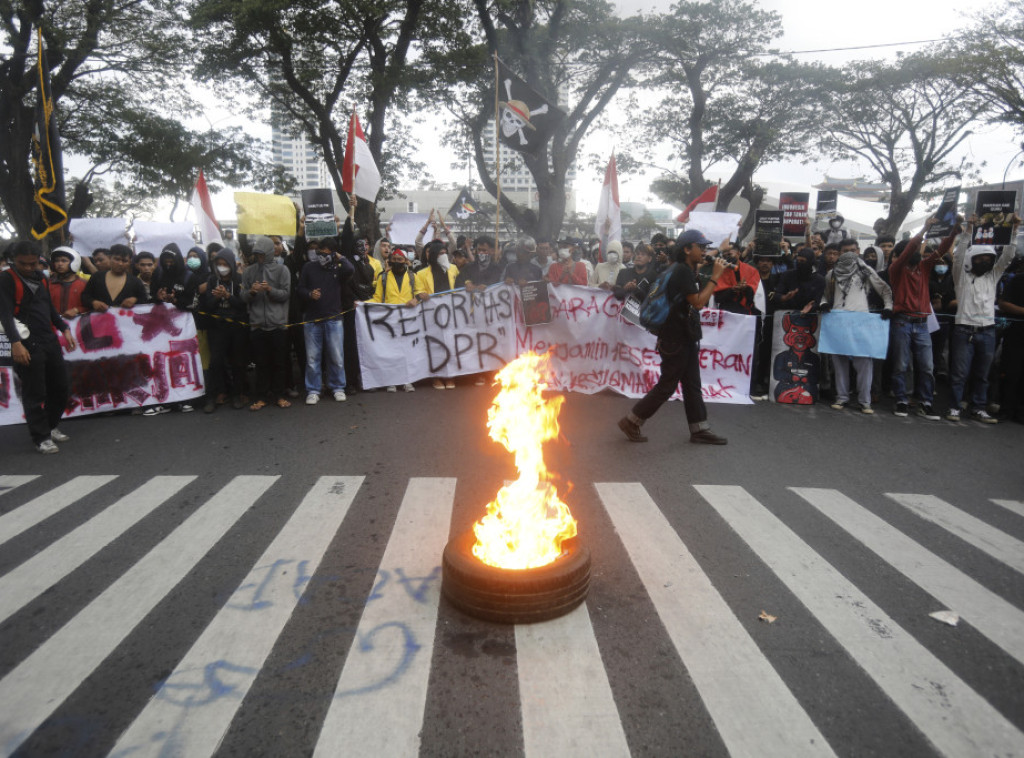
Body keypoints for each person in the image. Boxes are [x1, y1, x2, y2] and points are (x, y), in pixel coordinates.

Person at [618, 229, 728, 446]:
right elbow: (698, 302)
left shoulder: (682, 268)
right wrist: (715, 277)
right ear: (688, 249)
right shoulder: (682, 272)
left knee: (692, 383)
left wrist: (719, 251)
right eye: (701, 246)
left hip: (682, 336)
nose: (704, 250)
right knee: (668, 384)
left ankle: (699, 429)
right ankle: (632, 420)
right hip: (676, 337)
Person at [0, 241, 78, 453]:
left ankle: (51, 426)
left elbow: (49, 308)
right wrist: (16, 343)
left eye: (32, 263)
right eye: (23, 263)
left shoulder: (42, 277)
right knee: (35, 392)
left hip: (49, 339)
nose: (27, 267)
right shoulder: (6, 279)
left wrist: (64, 328)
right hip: (26, 342)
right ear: (13, 260)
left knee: (60, 387)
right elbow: (5, 314)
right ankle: (41, 437)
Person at [946, 214, 1020, 423]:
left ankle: (978, 407)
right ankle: (954, 407)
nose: (985, 262)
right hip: (964, 330)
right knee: (959, 373)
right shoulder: (961, 276)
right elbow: (959, 255)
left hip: (987, 330)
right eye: (980, 258)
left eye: (988, 259)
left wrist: (1013, 231)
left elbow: (1007, 257)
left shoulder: (993, 276)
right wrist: (968, 229)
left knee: (983, 374)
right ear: (973, 259)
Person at [819, 239, 893, 414]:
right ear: (839, 253)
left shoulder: (865, 270)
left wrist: (889, 307)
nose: (849, 253)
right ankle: (842, 397)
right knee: (839, 362)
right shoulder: (832, 274)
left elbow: (884, 289)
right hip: (839, 322)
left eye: (853, 250)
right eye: (845, 251)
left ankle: (864, 401)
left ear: (858, 251)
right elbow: (824, 295)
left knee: (864, 362)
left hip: (861, 321)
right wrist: (823, 304)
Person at [888, 219, 953, 419]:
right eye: (909, 251)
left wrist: (955, 231)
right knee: (901, 364)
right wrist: (924, 228)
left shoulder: (924, 268)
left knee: (927, 366)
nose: (915, 253)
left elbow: (942, 250)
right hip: (902, 321)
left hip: (922, 324)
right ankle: (901, 400)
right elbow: (909, 250)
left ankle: (926, 402)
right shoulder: (896, 270)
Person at [297, 237, 353, 405]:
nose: (322, 255)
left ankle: (337, 387)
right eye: (320, 252)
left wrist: (339, 258)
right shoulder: (308, 267)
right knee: (313, 358)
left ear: (334, 253)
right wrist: (309, 294)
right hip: (312, 320)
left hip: (334, 319)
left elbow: (350, 269)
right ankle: (313, 390)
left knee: (336, 356)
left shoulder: (338, 268)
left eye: (327, 253)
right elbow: (299, 288)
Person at [242, 235, 292, 410]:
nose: (260, 258)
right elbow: (243, 297)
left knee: (279, 363)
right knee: (261, 363)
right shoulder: (249, 272)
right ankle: (262, 397)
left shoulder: (282, 270)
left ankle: (279, 395)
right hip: (257, 325)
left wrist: (270, 290)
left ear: (270, 253)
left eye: (262, 254)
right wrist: (253, 292)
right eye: (257, 254)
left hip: (278, 324)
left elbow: (286, 294)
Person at [199, 248, 249, 412]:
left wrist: (228, 296)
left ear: (231, 265)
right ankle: (212, 396)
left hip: (236, 326)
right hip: (217, 327)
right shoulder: (212, 280)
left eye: (225, 264)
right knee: (215, 362)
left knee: (238, 362)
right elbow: (207, 305)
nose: (222, 267)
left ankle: (236, 394)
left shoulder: (240, 279)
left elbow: (243, 304)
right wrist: (217, 297)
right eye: (218, 264)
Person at [372, 246, 420, 392]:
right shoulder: (383, 277)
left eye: (400, 259)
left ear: (405, 261)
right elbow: (377, 298)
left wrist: (416, 299)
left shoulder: (413, 277)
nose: (397, 262)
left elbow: (421, 293)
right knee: (390, 351)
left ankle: (407, 380)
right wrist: (363, 304)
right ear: (390, 261)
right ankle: (391, 380)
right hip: (389, 320)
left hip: (408, 319)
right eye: (394, 259)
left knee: (406, 351)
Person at [415, 240, 460, 389]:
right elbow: (418, 290)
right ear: (433, 256)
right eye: (440, 253)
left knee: (451, 344)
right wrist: (421, 294)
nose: (444, 255)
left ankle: (450, 376)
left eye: (445, 253)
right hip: (432, 316)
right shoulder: (421, 274)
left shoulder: (453, 269)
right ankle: (437, 377)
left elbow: (460, 289)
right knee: (435, 345)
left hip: (451, 313)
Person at [81, 244, 147, 311]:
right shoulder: (97, 277)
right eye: (117, 259)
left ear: (129, 262)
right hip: (98, 319)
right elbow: (85, 296)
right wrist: (93, 302)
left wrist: (135, 299)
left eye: (124, 261)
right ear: (110, 258)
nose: (120, 263)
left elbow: (144, 301)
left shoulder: (135, 282)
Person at [47, 247, 89, 319]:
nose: (60, 264)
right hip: (52, 325)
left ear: (74, 262)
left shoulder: (84, 285)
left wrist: (77, 310)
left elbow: (92, 306)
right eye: (57, 261)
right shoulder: (48, 284)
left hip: (78, 326)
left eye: (64, 261)